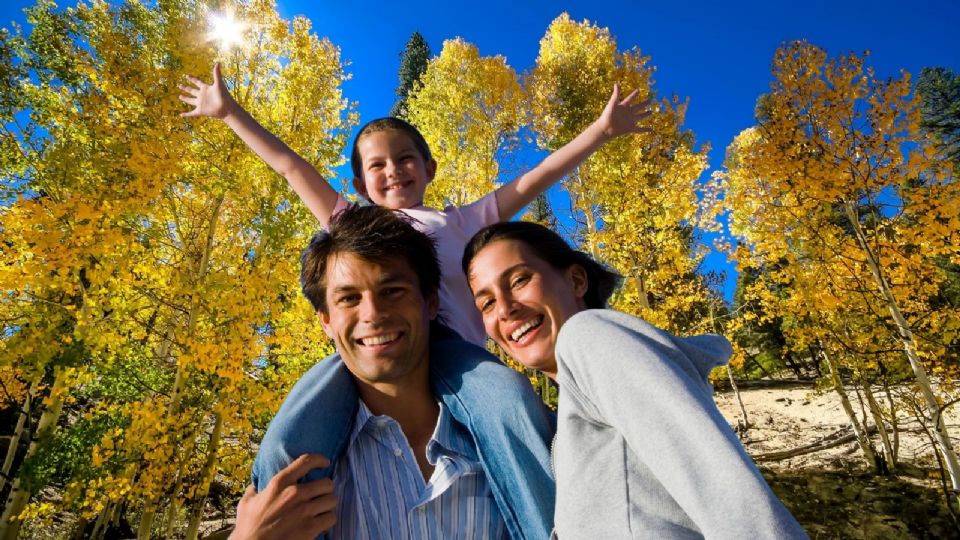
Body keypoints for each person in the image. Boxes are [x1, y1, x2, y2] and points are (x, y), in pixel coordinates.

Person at [178, 62, 653, 346]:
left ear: (429, 168)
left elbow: (535, 178)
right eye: (377, 166)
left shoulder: (465, 222)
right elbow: (290, 167)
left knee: (507, 407)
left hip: (459, 359)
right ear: (360, 184)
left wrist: (600, 132)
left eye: (405, 159)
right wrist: (230, 113)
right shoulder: (354, 224)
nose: (393, 170)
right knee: (312, 403)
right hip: (381, 350)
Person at [462, 221, 809, 539]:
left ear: (576, 280)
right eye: (487, 303)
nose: (504, 309)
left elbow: (730, 495)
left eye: (519, 280)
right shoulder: (574, 407)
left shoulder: (589, 336)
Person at [232, 205, 554, 540]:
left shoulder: (519, 438)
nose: (373, 313)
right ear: (326, 321)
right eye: (349, 298)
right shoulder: (293, 481)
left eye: (392, 291)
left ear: (430, 301)